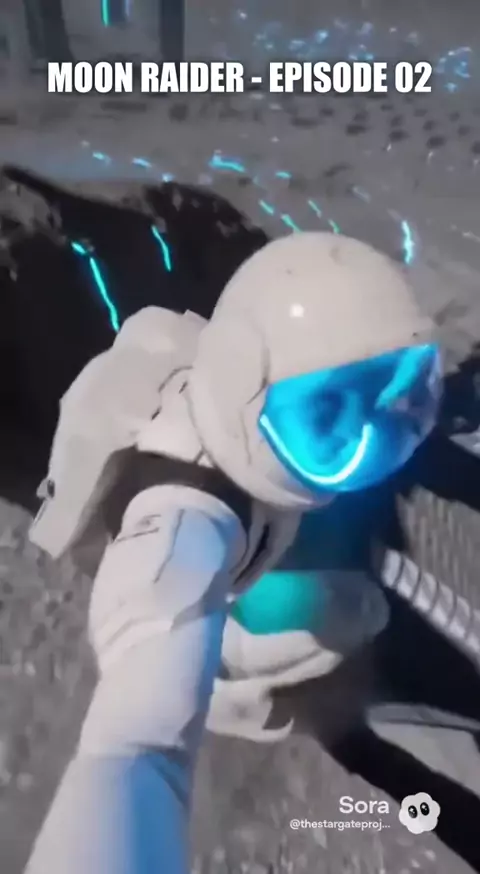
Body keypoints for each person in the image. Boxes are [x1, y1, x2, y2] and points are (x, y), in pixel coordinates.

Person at [25, 231, 441, 873]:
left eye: (400, 393)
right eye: (327, 407)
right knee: (348, 613)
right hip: (209, 580)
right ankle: (231, 694)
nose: (372, 432)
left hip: (237, 537)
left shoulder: (237, 409)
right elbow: (132, 751)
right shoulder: (182, 529)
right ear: (248, 388)